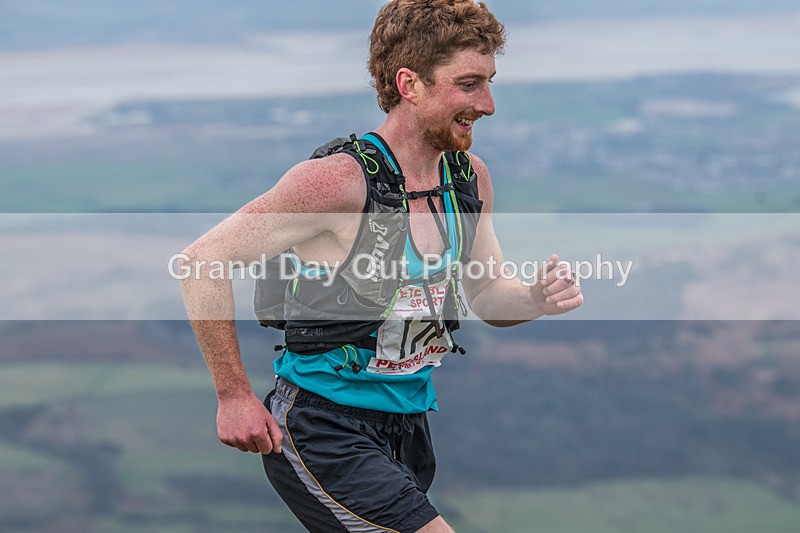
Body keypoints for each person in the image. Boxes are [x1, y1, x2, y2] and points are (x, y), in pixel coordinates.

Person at [179, 1, 583, 531]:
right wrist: (233, 396)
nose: (488, 104)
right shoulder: (335, 183)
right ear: (409, 83)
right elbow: (201, 262)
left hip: (408, 427)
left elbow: (487, 296)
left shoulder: (468, 178)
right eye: (468, 84)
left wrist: (534, 299)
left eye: (489, 82)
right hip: (321, 427)